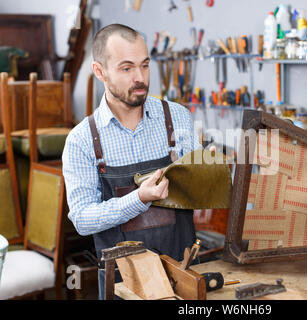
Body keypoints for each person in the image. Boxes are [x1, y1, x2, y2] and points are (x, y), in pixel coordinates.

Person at [62, 24, 207, 299]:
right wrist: (139, 199)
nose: (140, 78)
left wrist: (216, 178)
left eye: (144, 65)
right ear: (99, 71)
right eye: (126, 68)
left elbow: (200, 193)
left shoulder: (177, 117)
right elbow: (82, 219)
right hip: (122, 285)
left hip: (184, 275)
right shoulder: (81, 140)